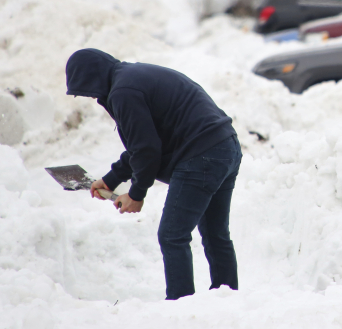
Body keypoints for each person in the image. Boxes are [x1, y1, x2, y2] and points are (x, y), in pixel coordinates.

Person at [65, 48, 241, 300]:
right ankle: (228, 300)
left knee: (172, 235)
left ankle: (182, 307)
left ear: (93, 79)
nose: (92, 98)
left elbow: (146, 149)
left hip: (200, 155)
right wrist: (111, 179)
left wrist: (136, 194)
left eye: (87, 92)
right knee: (215, 234)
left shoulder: (123, 92)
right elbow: (146, 144)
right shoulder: (131, 78)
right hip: (225, 146)